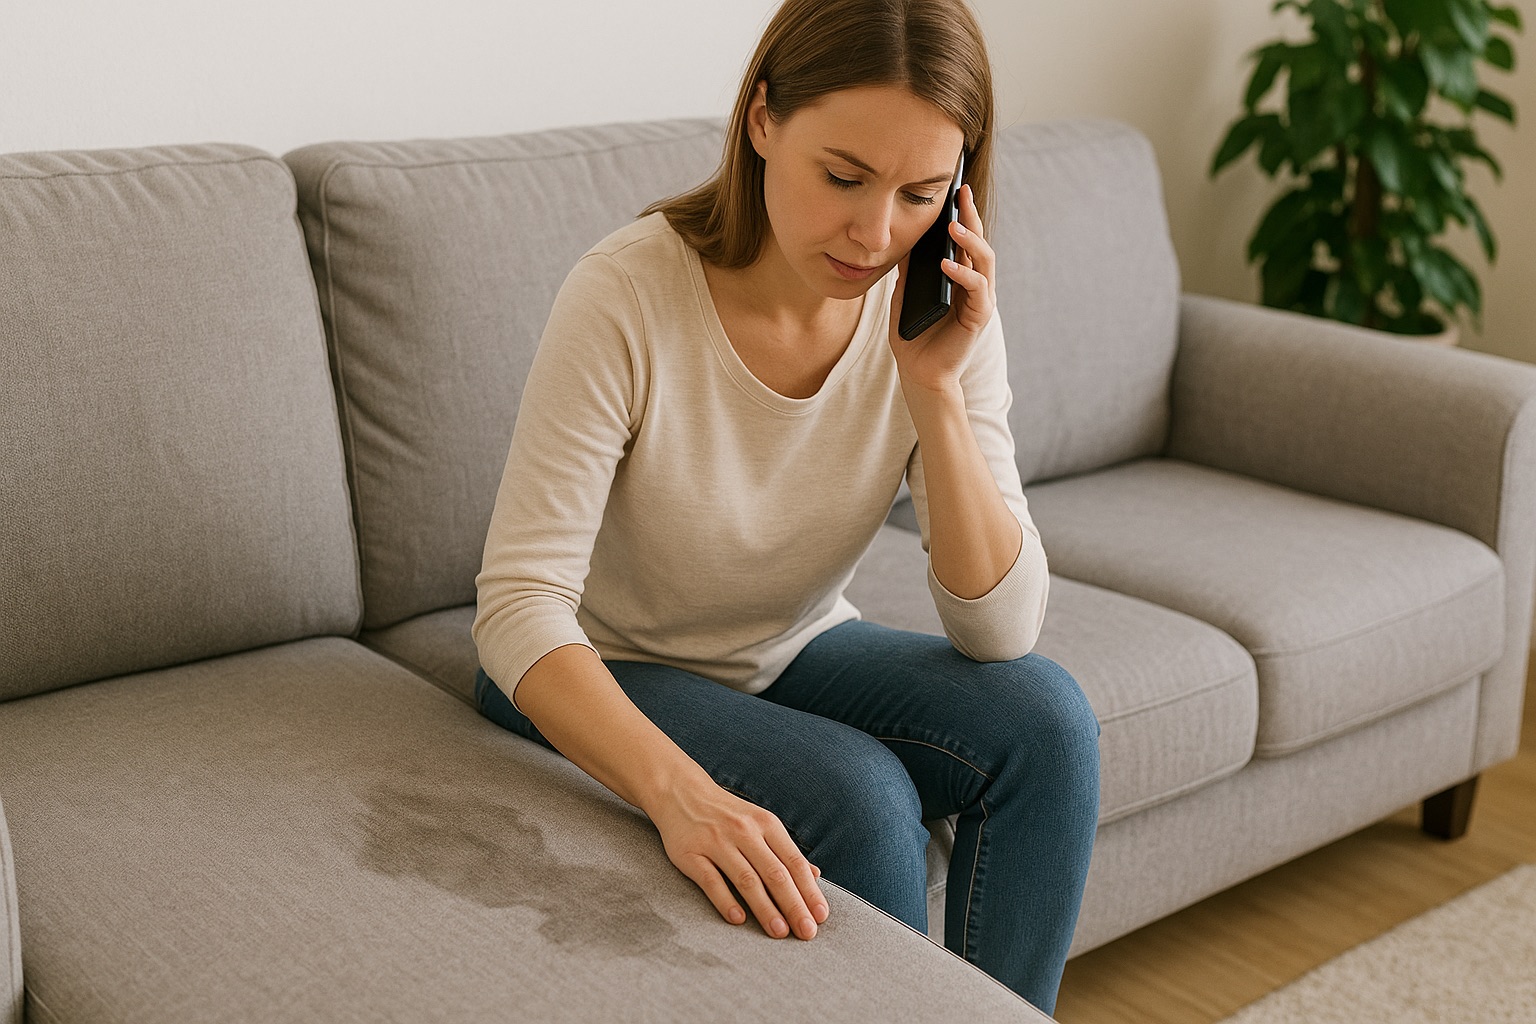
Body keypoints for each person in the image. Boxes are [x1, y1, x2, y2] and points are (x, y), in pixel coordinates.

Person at [471, 0, 1100, 1011]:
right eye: (843, 177)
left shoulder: (936, 311)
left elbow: (1000, 629)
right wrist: (681, 797)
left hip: (787, 640)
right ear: (763, 119)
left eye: (919, 193)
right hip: (594, 660)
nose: (874, 232)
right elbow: (515, 609)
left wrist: (935, 386)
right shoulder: (627, 293)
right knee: (859, 795)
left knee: (1049, 723)